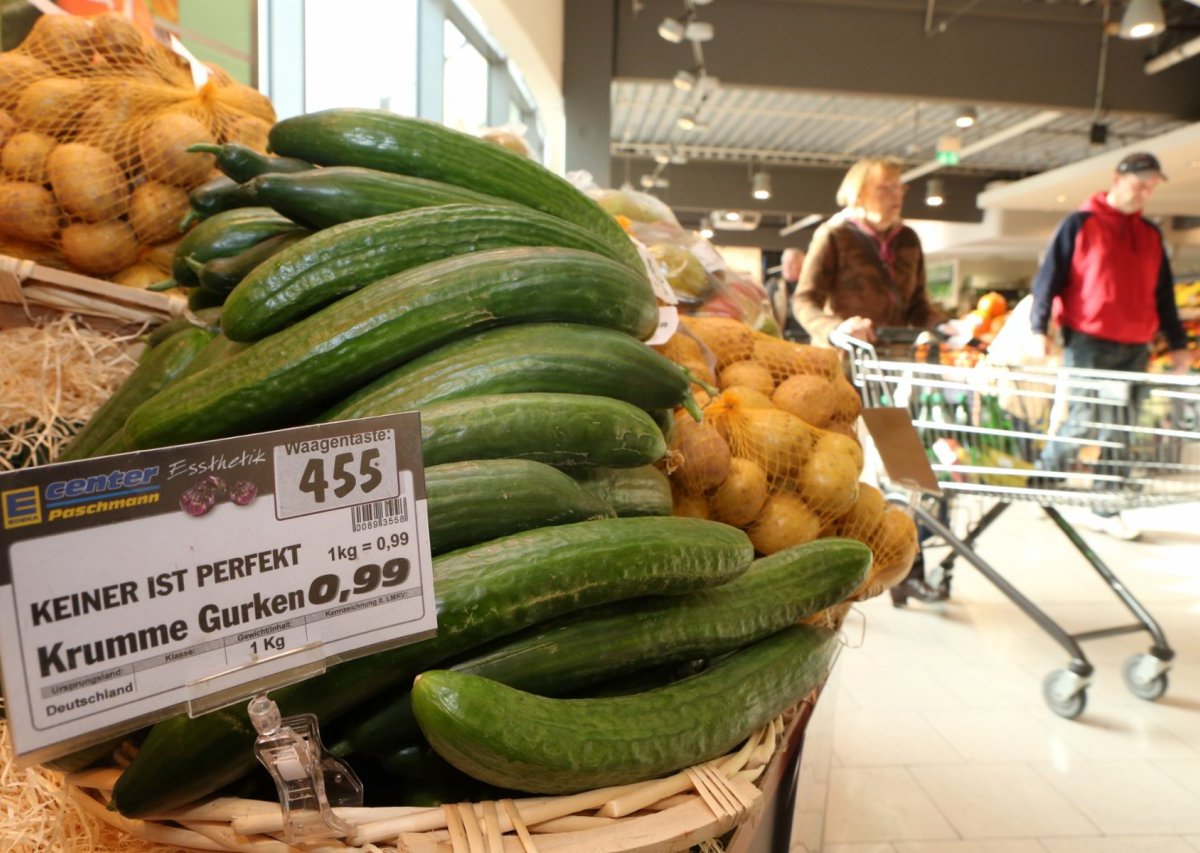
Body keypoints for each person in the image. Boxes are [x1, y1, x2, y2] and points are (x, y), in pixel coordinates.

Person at [1030, 151, 1190, 541]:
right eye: (1141, 184)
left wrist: (1178, 343)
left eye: (1151, 187)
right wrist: (1039, 328)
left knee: (1122, 426)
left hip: (1136, 345)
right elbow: (1048, 278)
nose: (1145, 193)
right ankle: (1043, 483)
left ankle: (1107, 505)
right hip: (1088, 339)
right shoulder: (1080, 223)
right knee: (1084, 417)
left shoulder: (1151, 234)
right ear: (1119, 178)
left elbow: (1164, 295)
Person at [794, 156, 947, 347]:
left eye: (899, 187)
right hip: (843, 359)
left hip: (893, 359)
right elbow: (804, 300)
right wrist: (835, 329)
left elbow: (917, 306)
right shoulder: (835, 236)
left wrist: (942, 326)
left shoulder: (908, 239)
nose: (897, 194)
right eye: (885, 187)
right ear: (859, 193)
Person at [764, 247, 809, 342]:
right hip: (783, 339)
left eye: (792, 263)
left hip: (809, 338)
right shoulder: (773, 287)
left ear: (803, 265)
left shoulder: (812, 287)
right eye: (785, 263)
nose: (787, 266)